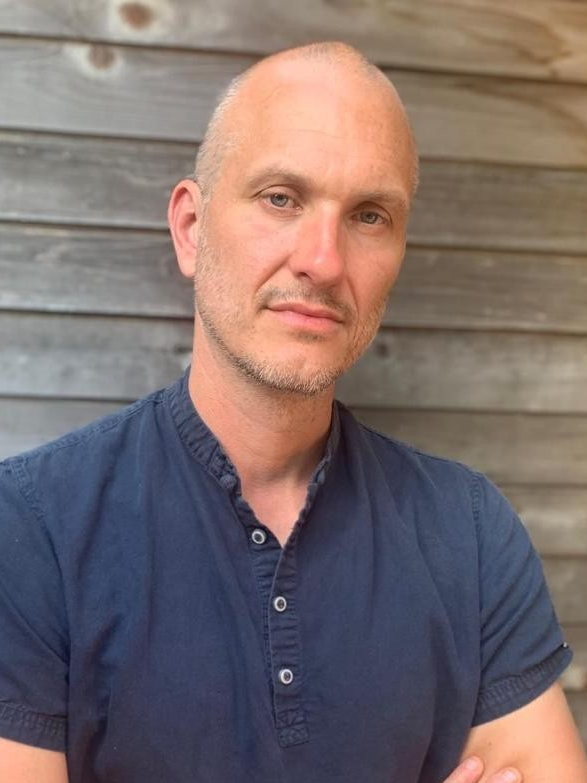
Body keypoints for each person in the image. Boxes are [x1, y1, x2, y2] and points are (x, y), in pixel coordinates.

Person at [0, 41, 585, 783]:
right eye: (281, 198)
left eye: (369, 215)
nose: (324, 260)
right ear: (191, 227)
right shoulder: (29, 529)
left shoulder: (469, 531)